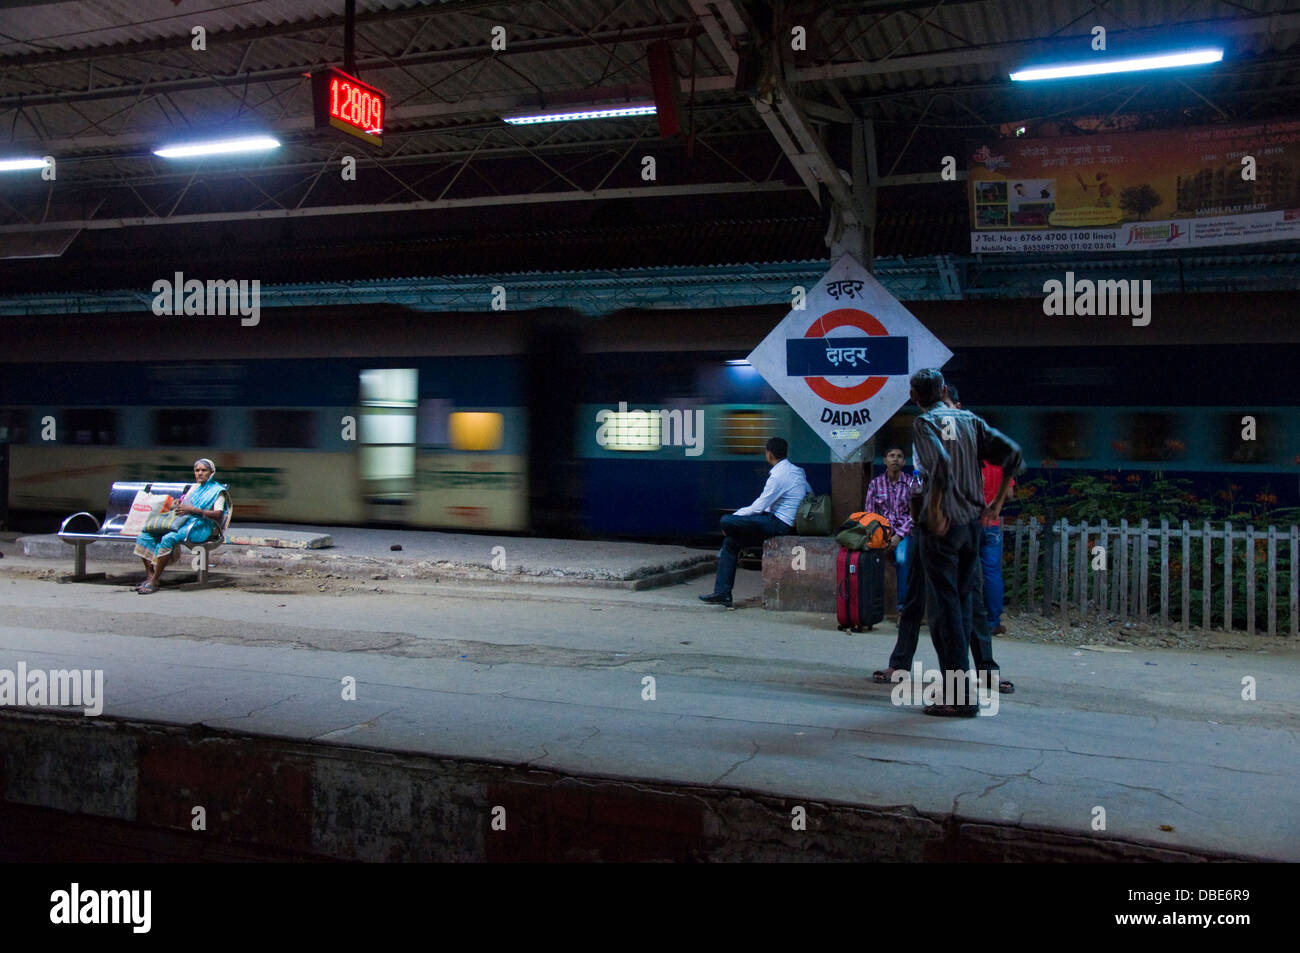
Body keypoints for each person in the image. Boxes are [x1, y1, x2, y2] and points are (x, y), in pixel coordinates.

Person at [909, 369, 1020, 716]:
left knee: (945, 612)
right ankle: (966, 689)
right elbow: (1013, 454)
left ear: (915, 396)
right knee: (965, 602)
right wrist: (997, 502)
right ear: (943, 390)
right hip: (973, 525)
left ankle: (958, 697)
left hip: (942, 528)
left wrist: (939, 509)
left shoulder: (924, 424)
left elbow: (940, 462)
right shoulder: (971, 420)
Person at [700, 437, 810, 608]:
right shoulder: (796, 471)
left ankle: (723, 593)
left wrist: (734, 519)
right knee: (730, 542)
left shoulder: (779, 476)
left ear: (769, 453)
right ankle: (723, 594)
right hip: (782, 522)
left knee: (726, 520)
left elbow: (758, 507)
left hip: (778, 524)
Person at [134, 458, 230, 594]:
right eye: (197, 470)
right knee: (145, 535)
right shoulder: (194, 488)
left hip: (200, 526)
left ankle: (155, 580)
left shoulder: (217, 491)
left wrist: (194, 510)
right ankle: (150, 576)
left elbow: (218, 515)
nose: (200, 473)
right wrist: (178, 505)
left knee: (169, 538)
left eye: (204, 470)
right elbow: (185, 504)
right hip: (185, 522)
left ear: (212, 473)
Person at [864, 446, 918, 616]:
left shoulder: (912, 484)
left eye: (899, 456)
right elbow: (870, 514)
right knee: (866, 560)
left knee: (902, 560)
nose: (895, 459)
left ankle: (903, 610)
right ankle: (869, 609)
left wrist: (897, 537)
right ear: (885, 460)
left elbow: (915, 516)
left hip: (904, 534)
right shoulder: (875, 484)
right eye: (891, 456)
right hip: (881, 532)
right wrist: (883, 536)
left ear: (904, 462)